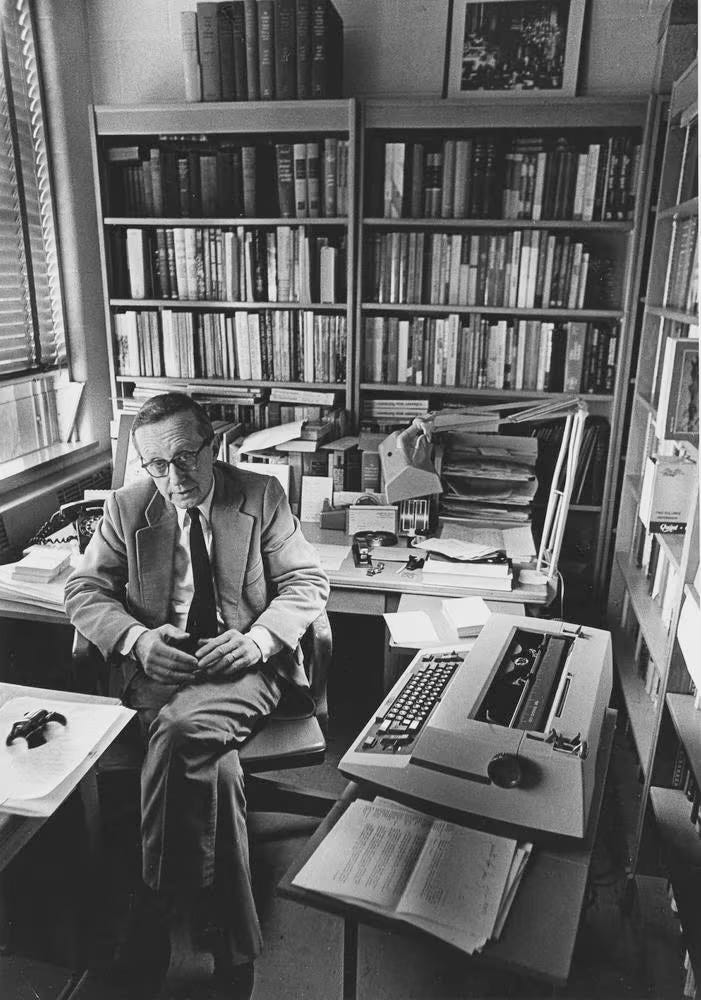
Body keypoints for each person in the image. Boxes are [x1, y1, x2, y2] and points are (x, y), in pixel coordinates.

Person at [64, 392, 329, 1000]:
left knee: (183, 730)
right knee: (219, 771)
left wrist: (257, 641)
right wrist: (136, 640)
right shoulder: (127, 507)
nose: (174, 477)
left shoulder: (261, 496)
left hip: (242, 668)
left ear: (213, 446)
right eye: (157, 464)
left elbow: (306, 581)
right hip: (163, 670)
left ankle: (152, 914)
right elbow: (83, 591)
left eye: (186, 457)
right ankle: (233, 948)